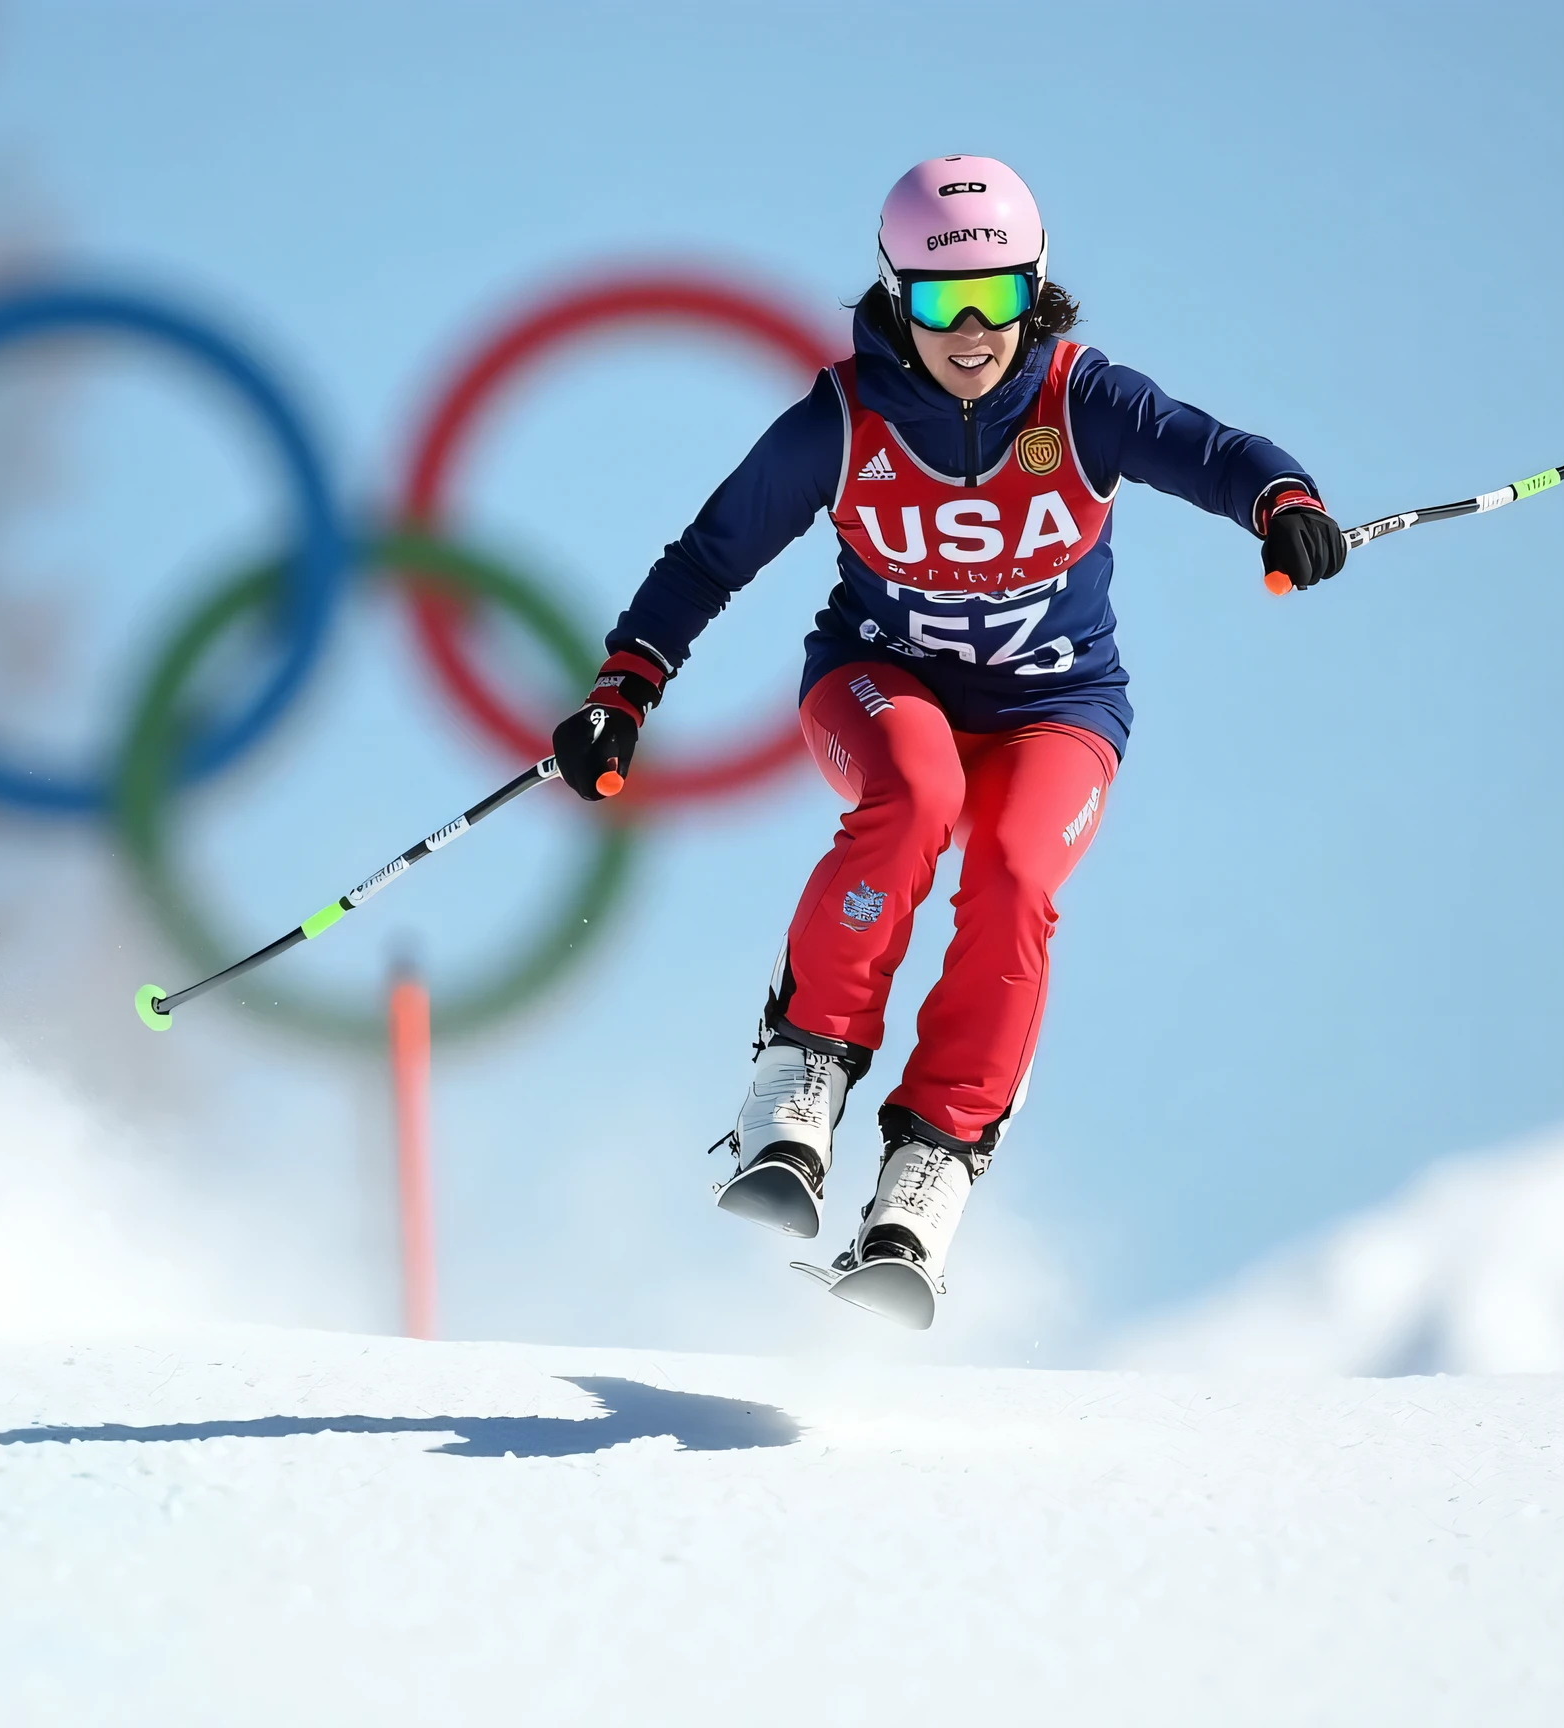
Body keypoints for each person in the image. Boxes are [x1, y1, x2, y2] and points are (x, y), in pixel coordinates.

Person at [550, 157, 1345, 1327]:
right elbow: (711, 554)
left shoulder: (1082, 402)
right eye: (938, 303)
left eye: (997, 298)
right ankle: (805, 1064)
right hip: (879, 683)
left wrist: (1284, 503)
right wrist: (625, 686)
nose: (971, 332)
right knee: (916, 799)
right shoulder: (844, 416)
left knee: (1017, 874)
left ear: (1036, 289)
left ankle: (934, 1164)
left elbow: (1222, 452)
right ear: (892, 297)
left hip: (1057, 708)